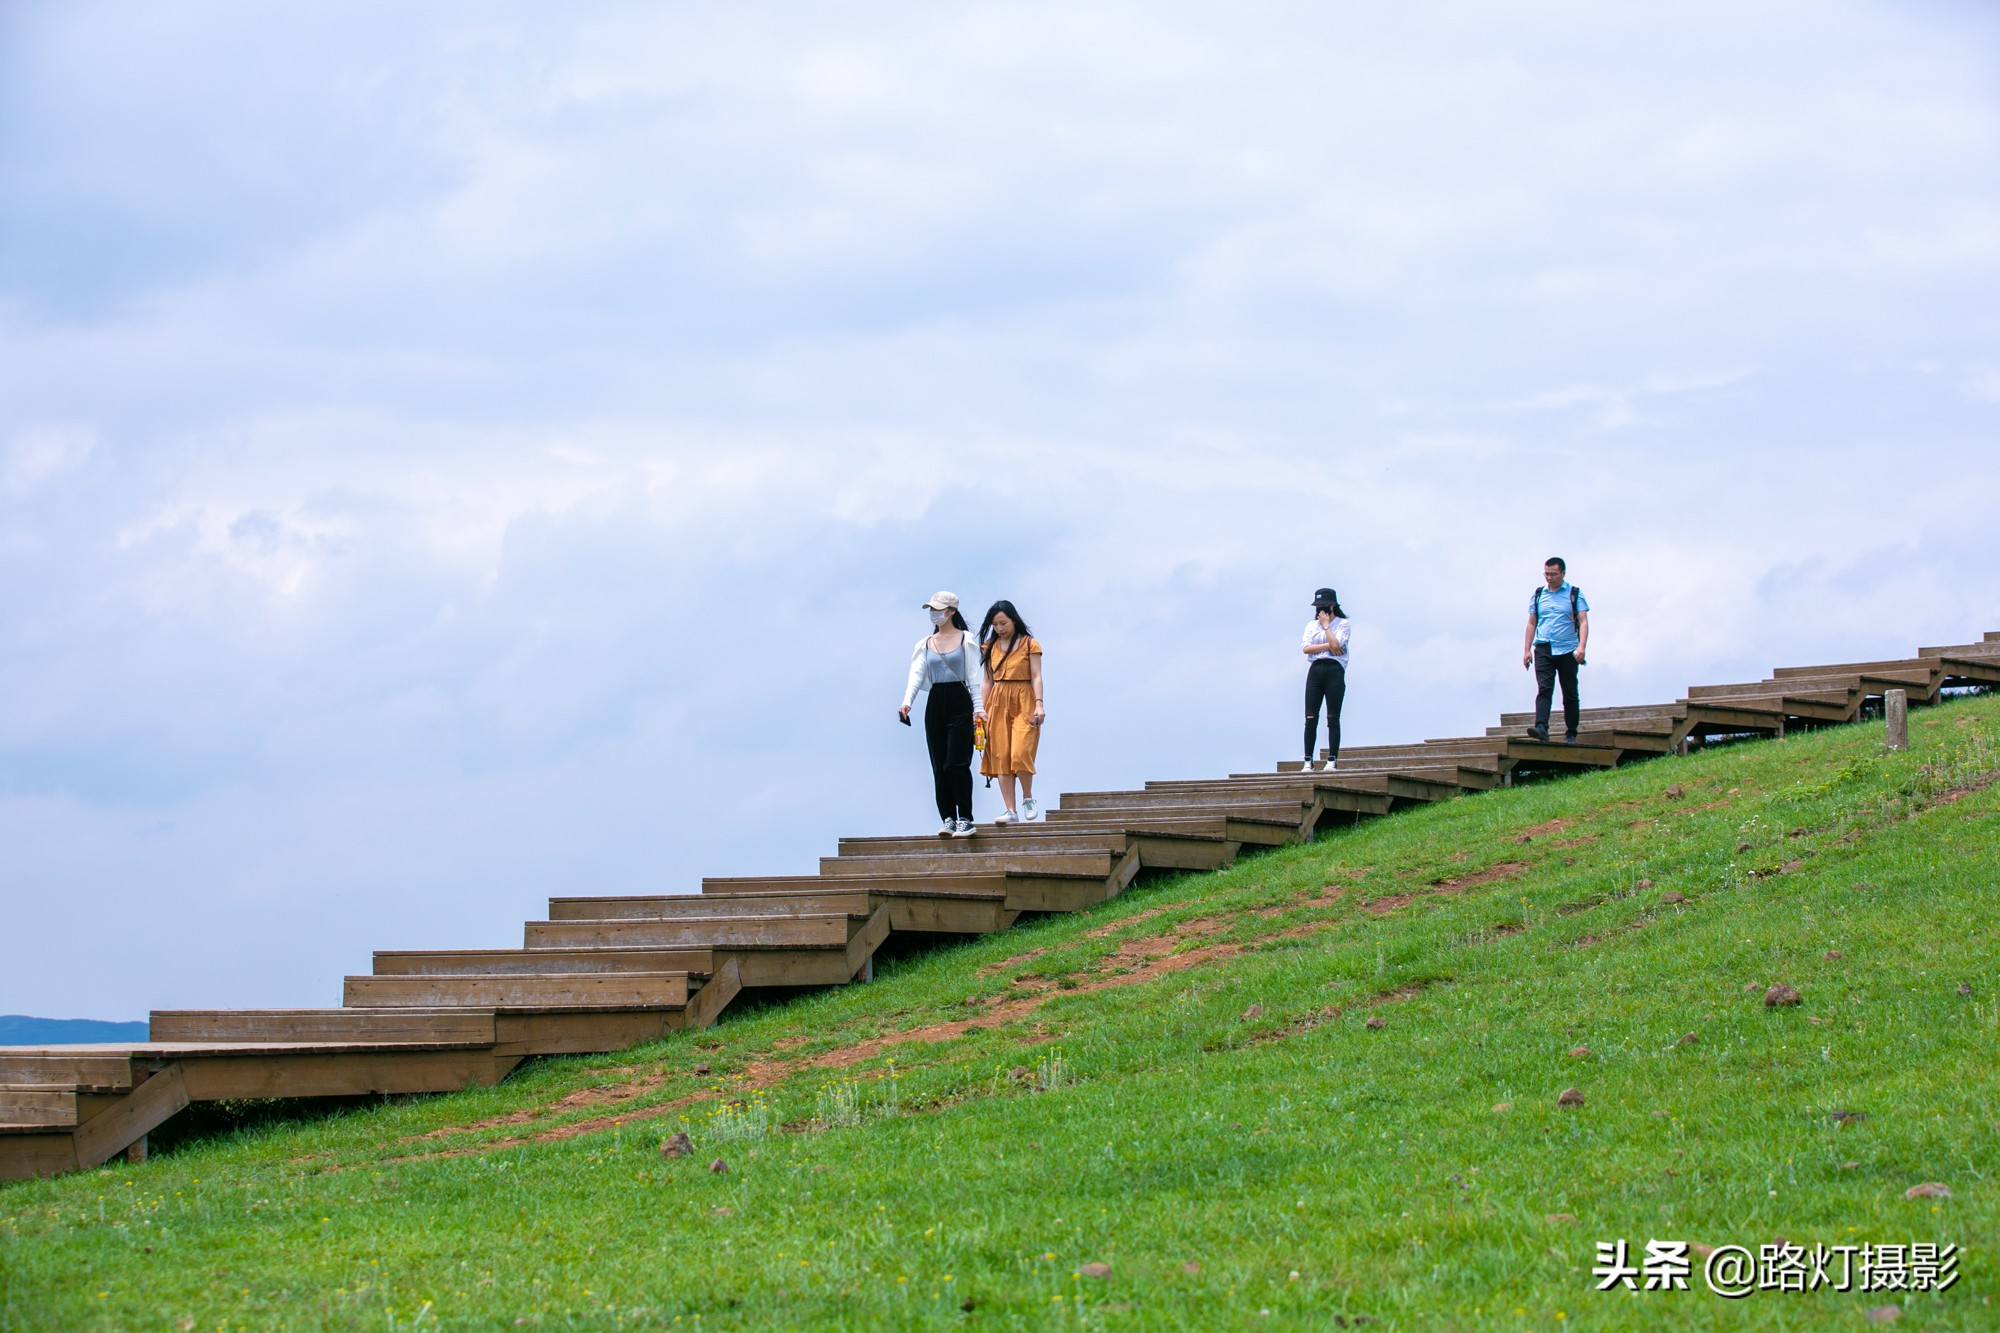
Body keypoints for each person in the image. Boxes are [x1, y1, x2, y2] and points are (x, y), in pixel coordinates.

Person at [900, 591, 985, 836]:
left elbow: (973, 677)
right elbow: (916, 675)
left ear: (950, 611)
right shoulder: (925, 643)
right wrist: (907, 702)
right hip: (936, 701)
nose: (933, 613)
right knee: (938, 765)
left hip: (960, 700)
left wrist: (978, 709)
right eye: (931, 609)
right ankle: (948, 817)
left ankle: (965, 818)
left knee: (955, 763)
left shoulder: (965, 639)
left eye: (938, 609)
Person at [977, 600, 1045, 823]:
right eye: (995, 624)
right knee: (1001, 755)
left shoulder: (1028, 644)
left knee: (1020, 752)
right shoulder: (989, 647)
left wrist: (1039, 704)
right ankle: (1010, 810)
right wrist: (980, 710)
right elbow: (987, 680)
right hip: (997, 700)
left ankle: (1027, 797)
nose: (999, 628)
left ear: (1014, 620)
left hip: (1024, 698)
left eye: (1003, 623)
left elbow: (1036, 676)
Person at [1521, 556, 1590, 743]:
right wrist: (1526, 649)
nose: (1549, 578)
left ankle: (1571, 732)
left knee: (1569, 691)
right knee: (1544, 688)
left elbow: (1583, 621)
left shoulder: (1574, 593)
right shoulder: (1538, 594)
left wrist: (1582, 647)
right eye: (1547, 574)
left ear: (1563, 573)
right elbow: (1531, 623)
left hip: (1568, 649)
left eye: (1553, 574)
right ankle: (1541, 728)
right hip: (1543, 647)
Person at [1302, 587, 1350, 768]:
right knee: (1310, 717)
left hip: (1334, 670)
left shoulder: (1343, 624)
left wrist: (1326, 626)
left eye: (1323, 606)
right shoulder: (1310, 625)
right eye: (1317, 607)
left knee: (1332, 717)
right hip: (1315, 670)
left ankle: (1332, 759)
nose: (1320, 610)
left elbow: (1337, 644)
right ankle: (1308, 760)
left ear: (1332, 606)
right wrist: (1328, 646)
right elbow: (1306, 649)